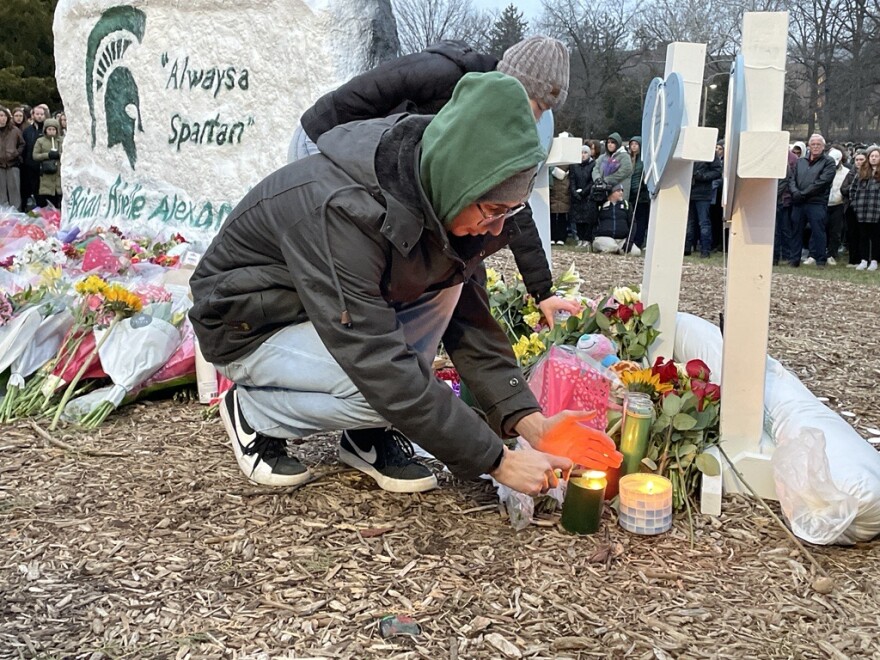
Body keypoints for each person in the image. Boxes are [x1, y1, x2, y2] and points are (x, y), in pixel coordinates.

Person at [190, 73, 581, 496]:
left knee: (447, 296)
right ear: (459, 179)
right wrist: (498, 461)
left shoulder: (442, 195)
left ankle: (364, 436)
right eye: (493, 210)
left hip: (317, 311)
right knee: (379, 390)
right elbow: (380, 365)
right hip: (247, 324)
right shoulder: (346, 209)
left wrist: (528, 419)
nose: (498, 227)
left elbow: (469, 323)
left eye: (511, 211)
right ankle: (254, 410)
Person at [290, 36, 579, 327]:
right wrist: (335, 156)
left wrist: (542, 290)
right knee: (345, 251)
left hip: (380, 159)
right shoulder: (442, 74)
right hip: (325, 138)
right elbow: (356, 97)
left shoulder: (496, 124)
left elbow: (509, 204)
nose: (536, 118)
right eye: (538, 106)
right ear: (516, 83)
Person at [788, 133, 835, 267]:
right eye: (813, 144)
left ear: (823, 147)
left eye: (818, 144)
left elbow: (822, 182)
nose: (815, 147)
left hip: (816, 202)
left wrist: (803, 193)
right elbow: (792, 179)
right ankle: (794, 259)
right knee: (796, 231)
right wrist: (795, 192)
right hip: (798, 202)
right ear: (809, 146)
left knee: (818, 231)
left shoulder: (828, 162)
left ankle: (820, 260)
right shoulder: (800, 161)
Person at [848, 145, 880, 271]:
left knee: (876, 236)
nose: (873, 158)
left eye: (876, 156)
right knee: (863, 236)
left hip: (876, 210)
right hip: (861, 210)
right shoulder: (861, 172)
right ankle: (864, 259)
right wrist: (854, 203)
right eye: (871, 156)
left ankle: (874, 260)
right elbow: (852, 189)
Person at [685, 153, 723, 257]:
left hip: (702, 192)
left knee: (703, 222)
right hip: (690, 190)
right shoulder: (691, 150)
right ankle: (687, 248)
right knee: (690, 222)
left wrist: (702, 176)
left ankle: (705, 250)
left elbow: (717, 172)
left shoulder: (709, 152)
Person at [773, 148, 799, 266]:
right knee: (775, 231)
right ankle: (774, 256)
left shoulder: (785, 165)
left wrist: (772, 195)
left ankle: (786, 255)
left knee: (784, 229)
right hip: (772, 201)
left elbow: (783, 183)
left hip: (781, 201)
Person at [826, 148, 851, 266]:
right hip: (824, 203)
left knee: (835, 231)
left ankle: (832, 254)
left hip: (838, 204)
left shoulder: (846, 171)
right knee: (821, 229)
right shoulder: (824, 169)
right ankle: (816, 253)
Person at [31, 118, 63, 208]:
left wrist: (59, 155)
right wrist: (48, 155)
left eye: (54, 129)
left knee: (59, 198)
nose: (51, 131)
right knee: (47, 200)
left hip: (59, 172)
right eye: (49, 129)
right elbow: (35, 155)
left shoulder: (61, 140)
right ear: (45, 130)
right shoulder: (40, 141)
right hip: (46, 173)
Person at [569, 142, 596, 246]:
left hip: (588, 195)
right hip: (576, 196)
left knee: (587, 218)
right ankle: (580, 238)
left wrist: (584, 191)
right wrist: (574, 192)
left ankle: (587, 239)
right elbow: (572, 179)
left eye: (585, 153)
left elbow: (592, 180)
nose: (583, 155)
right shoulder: (574, 165)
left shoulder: (593, 164)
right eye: (581, 152)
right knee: (578, 218)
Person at [591, 183, 631, 253]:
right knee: (613, 247)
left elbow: (633, 223)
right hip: (604, 237)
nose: (621, 193)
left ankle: (616, 250)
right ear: (611, 193)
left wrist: (629, 241)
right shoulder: (601, 205)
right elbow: (592, 219)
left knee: (635, 252)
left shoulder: (626, 205)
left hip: (621, 239)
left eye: (622, 190)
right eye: (618, 191)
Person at [592, 132, 633, 200]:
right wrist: (597, 179)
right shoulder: (603, 157)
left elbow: (623, 172)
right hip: (603, 193)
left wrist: (606, 180)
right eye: (608, 142)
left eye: (612, 142)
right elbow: (595, 169)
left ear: (618, 144)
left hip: (619, 193)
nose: (610, 145)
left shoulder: (625, 156)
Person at [22, 105, 47, 210]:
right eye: (37, 114)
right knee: (34, 189)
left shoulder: (48, 130)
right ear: (33, 115)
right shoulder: (27, 131)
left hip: (45, 166)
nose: (40, 116)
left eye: (42, 114)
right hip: (30, 166)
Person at [0, 107, 25, 210]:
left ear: (7, 117)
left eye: (3, 115)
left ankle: (16, 214)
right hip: (0, 165)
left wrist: (16, 153)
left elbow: (22, 144)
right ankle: (2, 214)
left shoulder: (14, 130)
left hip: (12, 164)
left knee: (14, 191)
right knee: (1, 192)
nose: (1, 118)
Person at [845, 150, 867, 266]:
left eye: (861, 160)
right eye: (857, 160)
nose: (859, 162)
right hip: (851, 206)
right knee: (852, 233)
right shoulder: (850, 173)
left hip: (866, 208)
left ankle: (865, 258)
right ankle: (853, 259)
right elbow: (844, 189)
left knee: (864, 234)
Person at [627, 136, 649, 250]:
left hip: (641, 195)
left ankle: (639, 241)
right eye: (632, 144)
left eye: (636, 144)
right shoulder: (628, 158)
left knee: (641, 220)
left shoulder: (644, 160)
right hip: (630, 193)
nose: (634, 146)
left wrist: (642, 187)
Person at [549, 164, 573, 244]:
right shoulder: (569, 171)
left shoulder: (551, 169)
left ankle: (555, 237)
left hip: (558, 196)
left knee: (557, 218)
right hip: (560, 196)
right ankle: (560, 237)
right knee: (560, 218)